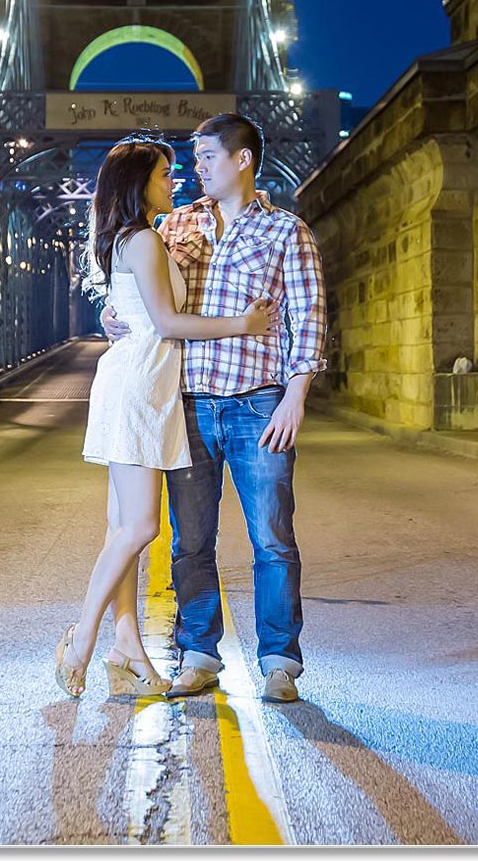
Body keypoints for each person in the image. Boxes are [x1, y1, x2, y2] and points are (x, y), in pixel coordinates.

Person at [102, 113, 327, 704]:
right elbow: (142, 289)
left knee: (272, 535)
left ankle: (280, 660)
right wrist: (117, 315)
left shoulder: (287, 233)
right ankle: (200, 653)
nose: (194, 168)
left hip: (259, 403)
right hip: (189, 403)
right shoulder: (173, 225)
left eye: (204, 157)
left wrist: (295, 397)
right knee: (190, 541)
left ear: (242, 160)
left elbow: (309, 321)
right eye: (191, 160)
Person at [56, 135, 276, 700]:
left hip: (144, 384)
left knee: (120, 529)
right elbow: (168, 323)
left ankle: (126, 644)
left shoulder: (138, 239)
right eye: (162, 174)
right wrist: (242, 326)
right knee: (141, 529)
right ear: (138, 184)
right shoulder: (144, 243)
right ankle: (80, 638)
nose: (172, 182)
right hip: (139, 389)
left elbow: (139, 312)